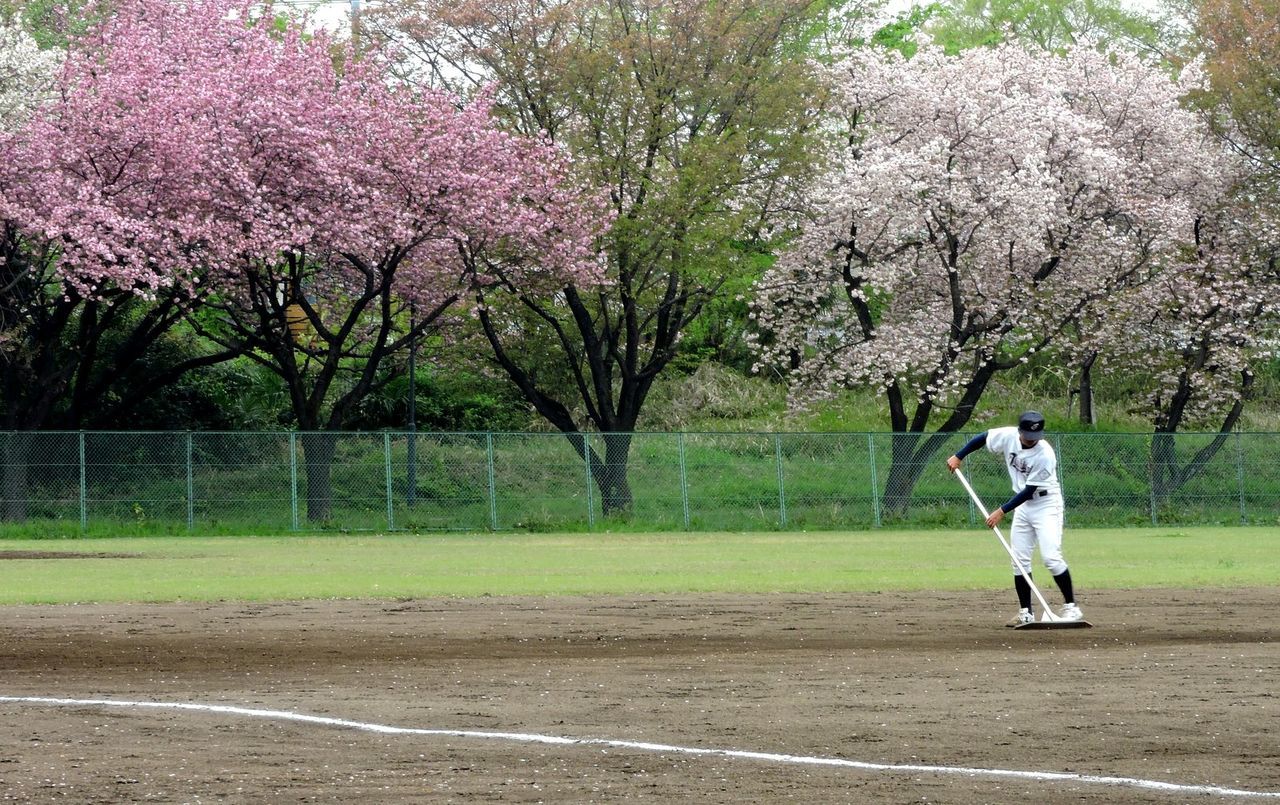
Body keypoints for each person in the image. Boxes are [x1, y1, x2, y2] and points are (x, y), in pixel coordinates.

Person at [946, 411, 1084, 626]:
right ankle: (1026, 612)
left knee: (1051, 557)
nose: (1032, 440)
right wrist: (959, 455)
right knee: (1018, 560)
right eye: (1028, 435)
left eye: (1035, 436)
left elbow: (1029, 490)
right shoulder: (1009, 436)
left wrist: (1001, 511)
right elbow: (983, 438)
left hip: (1046, 505)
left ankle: (1071, 608)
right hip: (1024, 507)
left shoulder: (1045, 453)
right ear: (1020, 431)